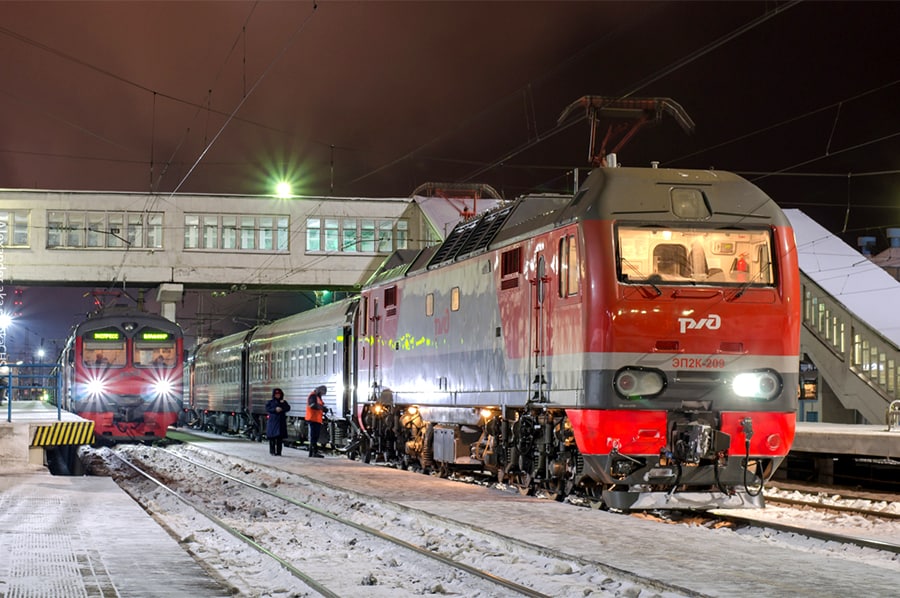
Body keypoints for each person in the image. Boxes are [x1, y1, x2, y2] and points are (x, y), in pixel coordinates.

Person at [265, 388, 290, 456]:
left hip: (280, 422)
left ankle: (279, 452)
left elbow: (288, 408)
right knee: (272, 438)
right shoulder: (270, 402)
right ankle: (272, 451)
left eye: (279, 394)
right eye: (276, 394)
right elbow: (267, 408)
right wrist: (275, 409)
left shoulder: (283, 402)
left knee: (279, 438)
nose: (278, 395)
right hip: (272, 422)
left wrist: (282, 408)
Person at [305, 385, 327, 458]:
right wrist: (322, 408)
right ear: (320, 391)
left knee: (315, 437)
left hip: (316, 419)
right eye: (322, 393)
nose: (322, 395)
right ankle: (313, 452)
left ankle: (313, 452)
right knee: (313, 437)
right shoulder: (313, 396)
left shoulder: (317, 396)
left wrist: (323, 408)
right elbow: (312, 405)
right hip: (312, 419)